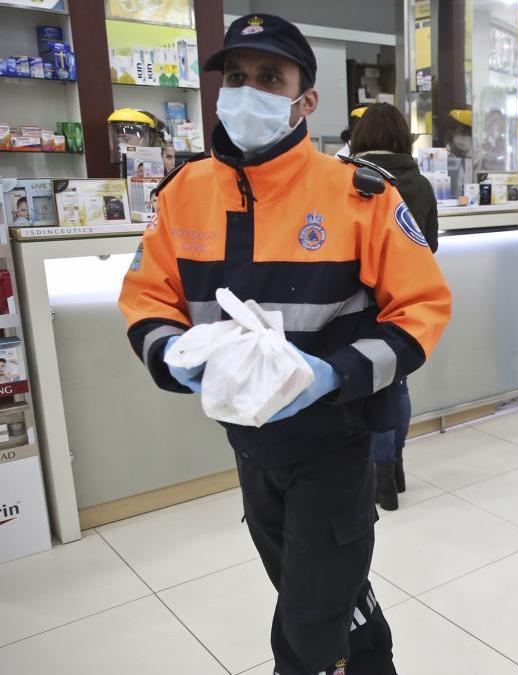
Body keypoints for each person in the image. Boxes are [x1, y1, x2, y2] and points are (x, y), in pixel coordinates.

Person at [118, 14, 451, 675]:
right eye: (236, 77)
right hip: (248, 443)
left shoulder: (359, 194)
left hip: (333, 441)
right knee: (320, 589)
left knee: (304, 629)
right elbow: (147, 295)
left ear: (306, 100)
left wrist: (332, 373)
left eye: (270, 77)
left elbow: (422, 308)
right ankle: (373, 659)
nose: (248, 90)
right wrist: (170, 352)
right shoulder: (185, 193)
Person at [348, 102, 440, 510]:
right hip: (405, 298)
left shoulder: (349, 178)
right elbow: (431, 244)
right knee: (397, 381)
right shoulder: (419, 184)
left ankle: (378, 474)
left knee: (368, 385)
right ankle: (395, 468)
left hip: (359, 298)